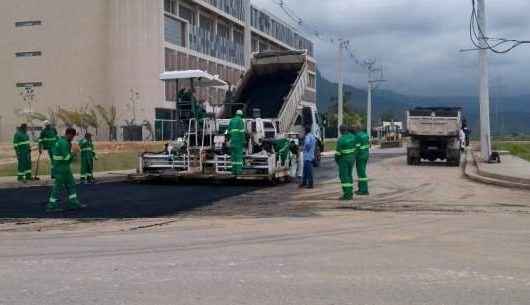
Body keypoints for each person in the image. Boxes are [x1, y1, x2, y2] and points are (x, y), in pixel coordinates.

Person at [47, 128, 85, 212]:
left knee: (71, 184)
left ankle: (73, 202)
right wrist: (74, 153)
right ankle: (51, 205)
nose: (73, 138)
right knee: (57, 187)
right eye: (72, 136)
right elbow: (67, 158)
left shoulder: (62, 141)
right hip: (61, 168)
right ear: (69, 134)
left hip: (64, 168)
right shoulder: (63, 143)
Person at [335, 125, 356, 200]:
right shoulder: (353, 137)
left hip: (344, 160)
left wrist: (337, 161)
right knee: (349, 175)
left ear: (340, 131)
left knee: (344, 177)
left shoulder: (341, 140)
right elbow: (356, 147)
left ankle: (347, 195)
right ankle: (350, 192)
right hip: (352, 158)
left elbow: (337, 154)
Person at [227, 109, 246, 175]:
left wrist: (228, 139)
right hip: (238, 141)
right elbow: (242, 132)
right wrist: (244, 141)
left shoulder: (231, 120)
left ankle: (233, 171)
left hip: (232, 141)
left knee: (233, 156)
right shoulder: (240, 120)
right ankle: (238, 171)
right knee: (238, 156)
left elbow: (228, 131)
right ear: (241, 115)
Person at [354, 125, 370, 195]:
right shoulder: (365, 135)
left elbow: (357, 148)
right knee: (362, 172)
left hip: (360, 156)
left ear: (357, 129)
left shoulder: (357, 136)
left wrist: (353, 156)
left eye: (354, 129)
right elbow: (368, 145)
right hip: (366, 155)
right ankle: (361, 188)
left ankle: (364, 190)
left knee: (361, 173)